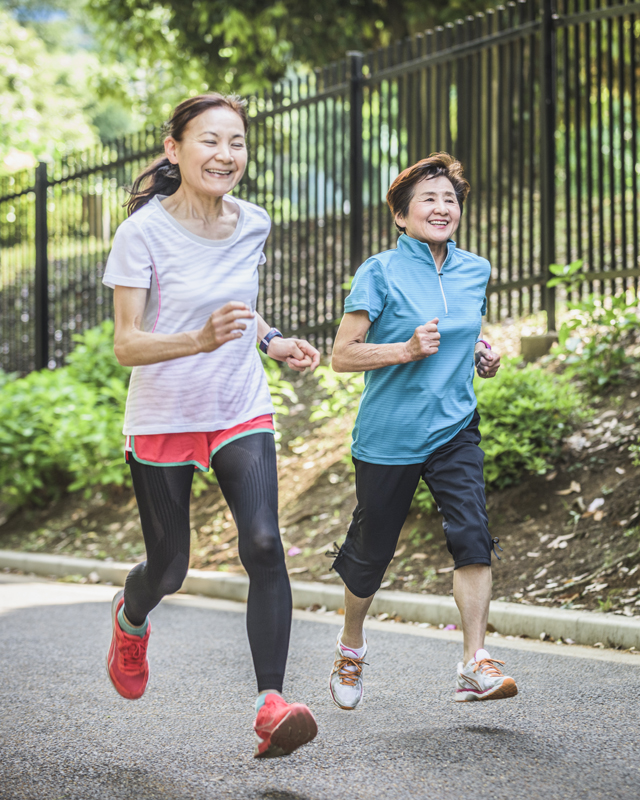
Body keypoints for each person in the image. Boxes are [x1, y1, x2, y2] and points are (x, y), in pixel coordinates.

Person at [102, 93, 320, 758]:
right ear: (174, 149)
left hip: (237, 405)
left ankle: (271, 704)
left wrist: (273, 339)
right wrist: (197, 339)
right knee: (169, 568)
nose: (226, 155)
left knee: (263, 542)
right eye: (210, 141)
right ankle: (130, 617)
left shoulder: (253, 222)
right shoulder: (142, 233)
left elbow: (241, 311)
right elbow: (127, 345)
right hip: (164, 414)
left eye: (237, 142)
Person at [327, 153, 518, 709]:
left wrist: (481, 355)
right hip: (389, 435)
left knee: (472, 534)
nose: (442, 208)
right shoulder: (379, 271)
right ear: (401, 215)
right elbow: (342, 356)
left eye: (450, 199)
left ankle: (474, 662)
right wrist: (404, 350)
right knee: (371, 551)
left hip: (455, 425)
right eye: (429, 199)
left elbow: (464, 334)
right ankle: (351, 645)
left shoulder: (475, 269)